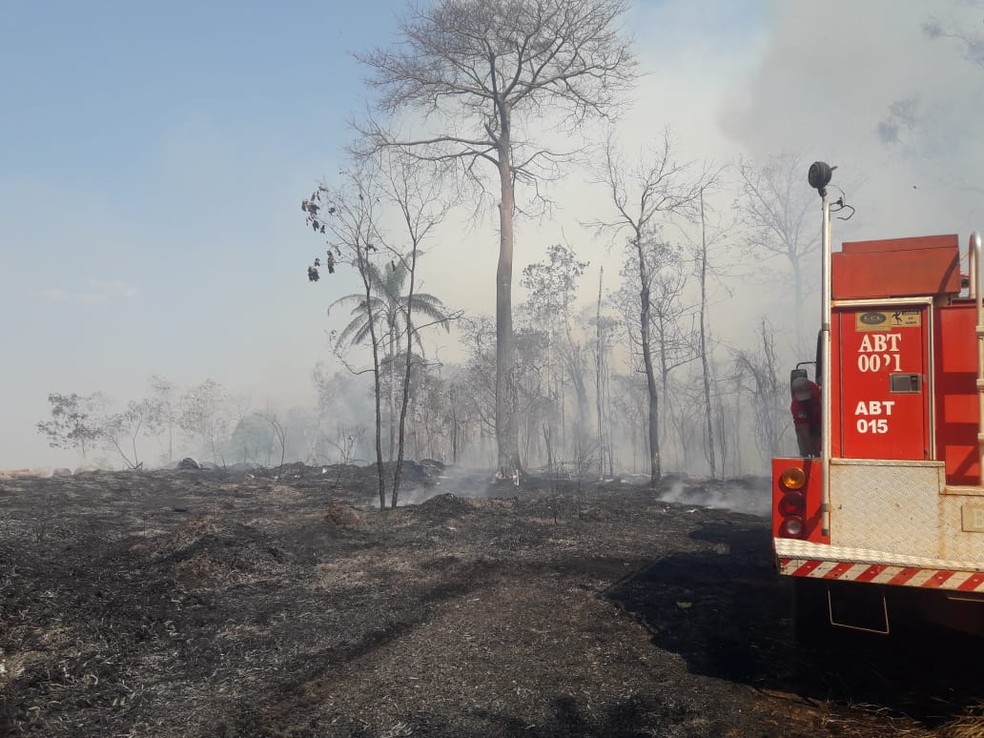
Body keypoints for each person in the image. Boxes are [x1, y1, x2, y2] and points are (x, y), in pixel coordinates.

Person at [791, 376, 821, 457]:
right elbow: (804, 432)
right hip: (806, 427)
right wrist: (814, 452)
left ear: (810, 389)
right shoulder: (796, 406)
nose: (805, 400)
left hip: (821, 423)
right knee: (805, 450)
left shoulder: (820, 392)